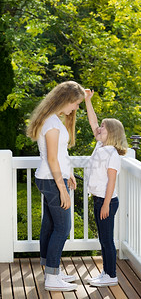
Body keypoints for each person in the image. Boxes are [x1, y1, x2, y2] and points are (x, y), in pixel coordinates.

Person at [27, 81, 86, 292]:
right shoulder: (51, 124)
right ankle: (52, 277)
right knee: (62, 228)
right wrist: (62, 189)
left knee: (50, 226)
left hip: (53, 177)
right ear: (66, 100)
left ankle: (50, 269)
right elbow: (52, 159)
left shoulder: (53, 120)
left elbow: (61, 154)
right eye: (76, 103)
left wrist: (69, 173)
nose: (76, 108)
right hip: (52, 180)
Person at [85, 90, 128, 287]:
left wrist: (106, 205)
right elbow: (92, 121)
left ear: (112, 133)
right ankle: (106, 272)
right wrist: (88, 100)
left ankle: (111, 275)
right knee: (103, 239)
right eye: (100, 126)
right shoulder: (100, 146)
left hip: (107, 201)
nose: (98, 128)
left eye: (103, 127)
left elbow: (112, 182)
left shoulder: (112, 154)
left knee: (107, 240)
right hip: (99, 199)